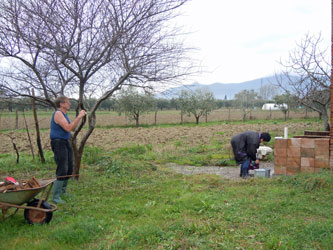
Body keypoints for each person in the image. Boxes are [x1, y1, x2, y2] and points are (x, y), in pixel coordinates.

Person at [50, 96, 86, 204]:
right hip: (58, 142)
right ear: (61, 104)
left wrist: (78, 119)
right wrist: (79, 116)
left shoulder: (64, 115)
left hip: (65, 142)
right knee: (62, 167)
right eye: (67, 102)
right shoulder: (58, 114)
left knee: (70, 166)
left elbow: (72, 127)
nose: (69, 104)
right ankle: (56, 196)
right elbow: (68, 128)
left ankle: (63, 191)